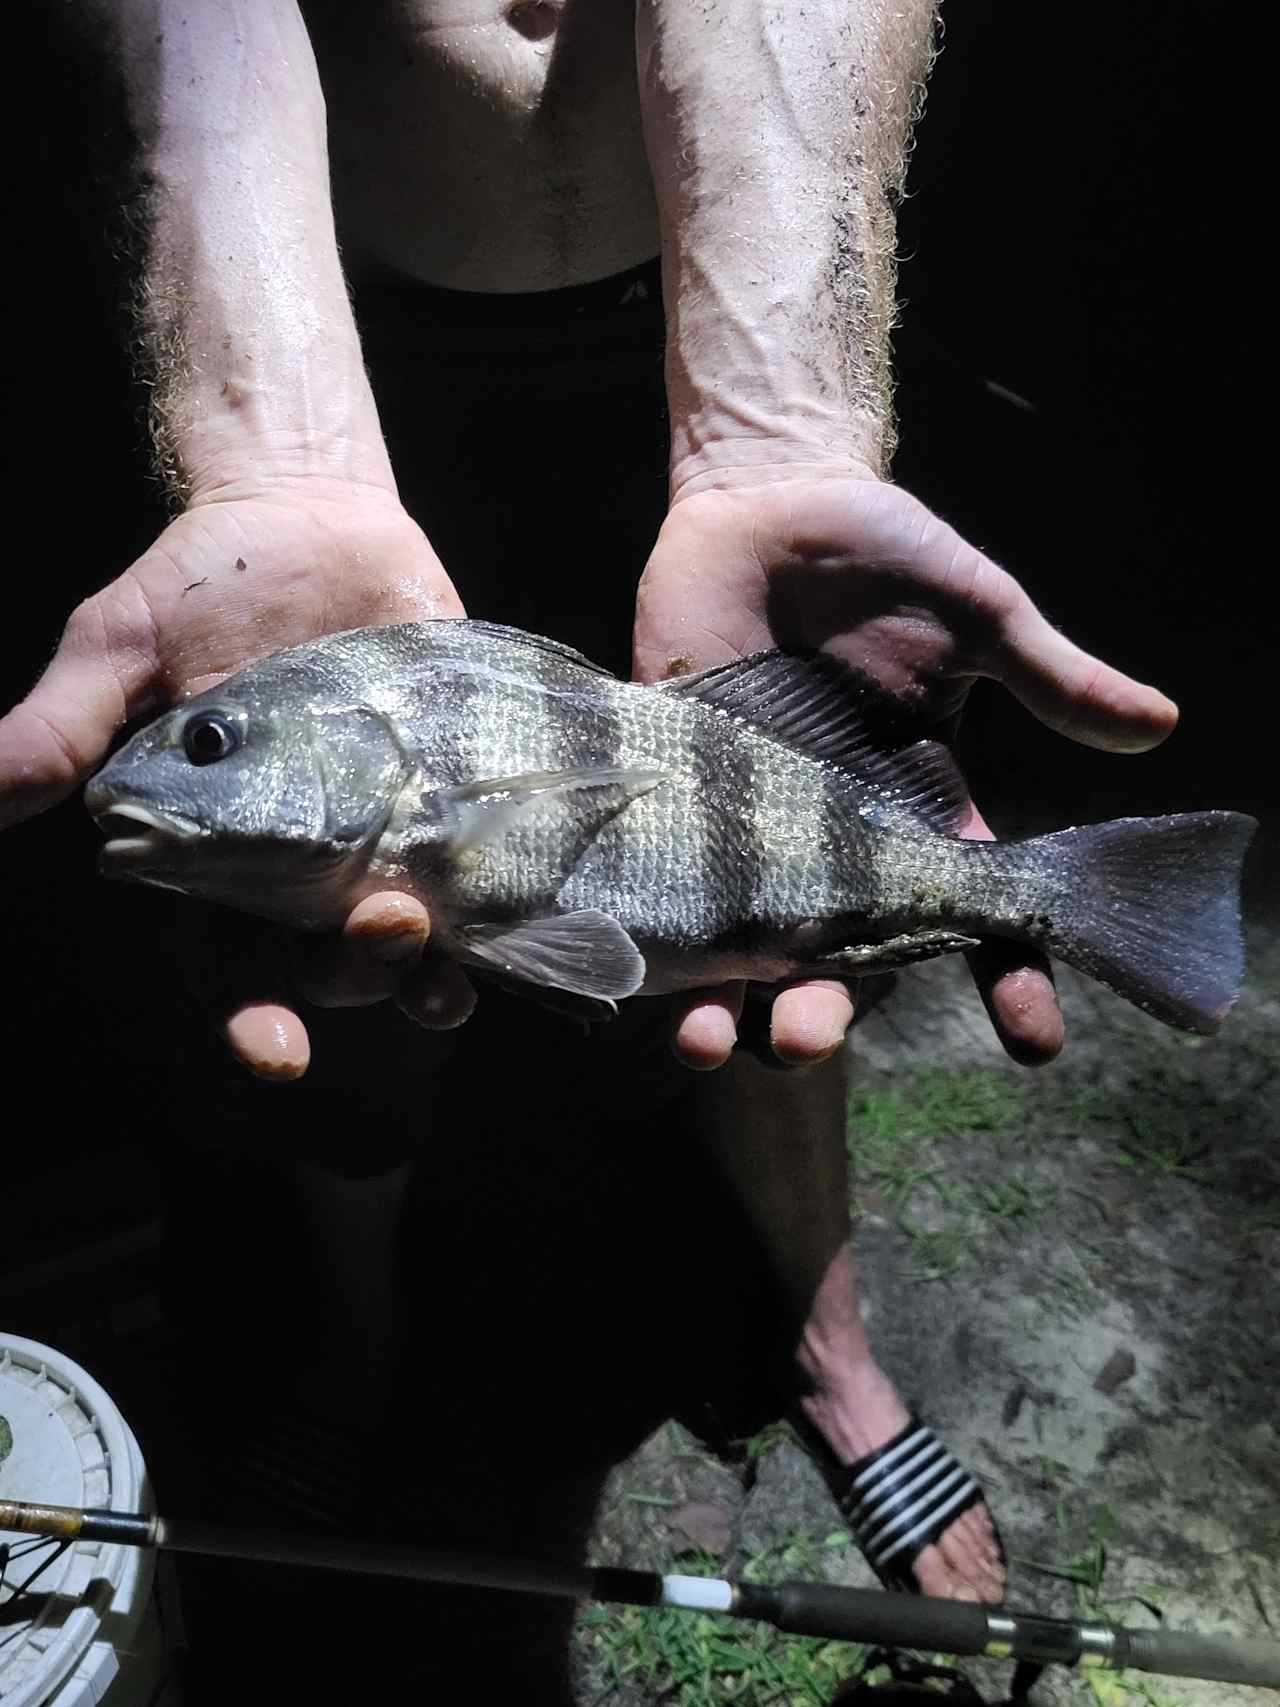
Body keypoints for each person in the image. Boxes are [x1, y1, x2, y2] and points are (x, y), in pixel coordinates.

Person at [0, 0, 1177, 1616]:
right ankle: (354, 1347)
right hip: (329, 323)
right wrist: (271, 452)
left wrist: (784, 425)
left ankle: (827, 1342)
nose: (173, 774)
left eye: (212, 751)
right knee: (338, 998)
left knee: (766, 987)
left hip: (709, 300)